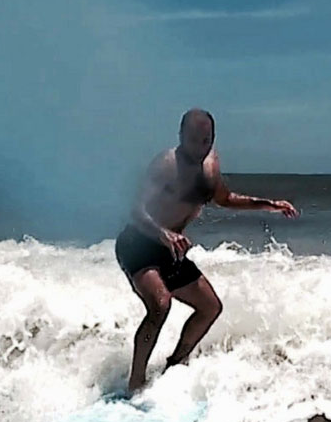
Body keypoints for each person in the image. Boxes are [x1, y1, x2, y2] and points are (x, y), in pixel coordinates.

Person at [116, 109, 299, 392]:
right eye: (194, 140)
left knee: (210, 307)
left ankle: (173, 366)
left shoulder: (211, 164)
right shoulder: (166, 165)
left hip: (171, 250)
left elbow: (225, 199)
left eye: (206, 140)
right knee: (160, 304)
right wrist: (162, 233)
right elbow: (135, 209)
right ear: (180, 136)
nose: (201, 146)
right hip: (139, 244)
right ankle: (135, 382)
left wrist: (269, 204)